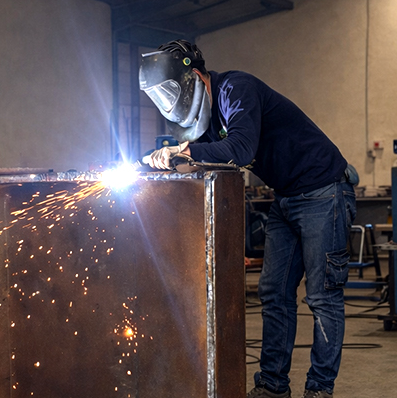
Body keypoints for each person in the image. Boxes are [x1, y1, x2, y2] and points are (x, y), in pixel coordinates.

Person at [139, 40, 358, 398]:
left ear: (193, 78)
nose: (167, 103)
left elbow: (239, 149)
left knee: (322, 297)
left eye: (169, 93)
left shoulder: (235, 89)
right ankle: (272, 387)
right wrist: (161, 160)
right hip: (285, 198)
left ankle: (319, 390)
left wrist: (183, 151)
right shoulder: (205, 123)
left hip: (324, 192)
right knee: (274, 294)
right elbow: (207, 156)